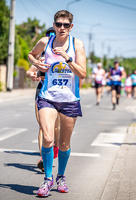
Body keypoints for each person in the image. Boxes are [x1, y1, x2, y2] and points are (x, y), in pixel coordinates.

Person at [28, 10, 86, 197]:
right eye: (58, 24)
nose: (61, 28)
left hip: (69, 100)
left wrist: (67, 58)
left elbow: (83, 73)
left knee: (64, 144)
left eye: (65, 25)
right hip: (48, 97)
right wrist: (37, 65)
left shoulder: (77, 44)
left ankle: (61, 176)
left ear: (71, 27)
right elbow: (31, 54)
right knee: (47, 137)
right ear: (54, 25)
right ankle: (47, 179)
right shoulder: (46, 42)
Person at [26, 27, 60, 173]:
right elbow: (29, 71)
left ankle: (55, 147)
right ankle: (43, 158)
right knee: (42, 125)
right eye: (49, 36)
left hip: (59, 93)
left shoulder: (64, 56)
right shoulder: (41, 57)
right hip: (42, 91)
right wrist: (32, 75)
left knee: (56, 127)